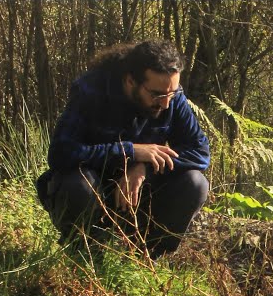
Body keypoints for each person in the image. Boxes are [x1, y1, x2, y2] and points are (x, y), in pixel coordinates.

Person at [36, 40, 210, 256]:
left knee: (195, 183)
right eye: (157, 95)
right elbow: (61, 153)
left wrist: (143, 166)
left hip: (139, 194)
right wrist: (129, 151)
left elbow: (200, 152)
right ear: (130, 81)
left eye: (171, 94)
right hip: (92, 188)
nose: (165, 104)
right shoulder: (90, 90)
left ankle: (146, 257)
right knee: (76, 185)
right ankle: (87, 256)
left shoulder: (171, 97)